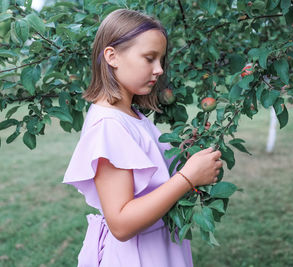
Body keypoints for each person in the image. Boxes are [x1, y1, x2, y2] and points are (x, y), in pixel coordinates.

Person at [63, 9, 223, 267]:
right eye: (149, 58)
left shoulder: (131, 114)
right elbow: (122, 224)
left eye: (161, 60)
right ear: (112, 56)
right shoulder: (108, 125)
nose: (159, 69)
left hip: (156, 247)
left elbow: (152, 179)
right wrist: (188, 177)